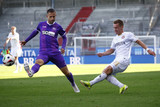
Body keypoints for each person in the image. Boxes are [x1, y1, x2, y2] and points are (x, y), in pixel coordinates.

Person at [80, 19, 156, 94]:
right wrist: (103, 54)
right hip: (117, 60)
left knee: (107, 70)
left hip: (124, 60)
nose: (115, 29)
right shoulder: (115, 39)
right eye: (114, 28)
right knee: (105, 74)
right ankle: (122, 86)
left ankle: (90, 83)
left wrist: (148, 50)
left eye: (116, 27)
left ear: (121, 27)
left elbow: (138, 41)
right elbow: (111, 50)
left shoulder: (128, 34)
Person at [21, 8, 80, 93]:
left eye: (54, 16)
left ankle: (73, 84)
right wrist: (26, 40)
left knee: (66, 72)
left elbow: (64, 37)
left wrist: (63, 47)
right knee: (38, 62)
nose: (52, 18)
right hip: (44, 52)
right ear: (47, 16)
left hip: (55, 52)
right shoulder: (41, 25)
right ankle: (31, 72)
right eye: (50, 17)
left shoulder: (58, 27)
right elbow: (35, 32)